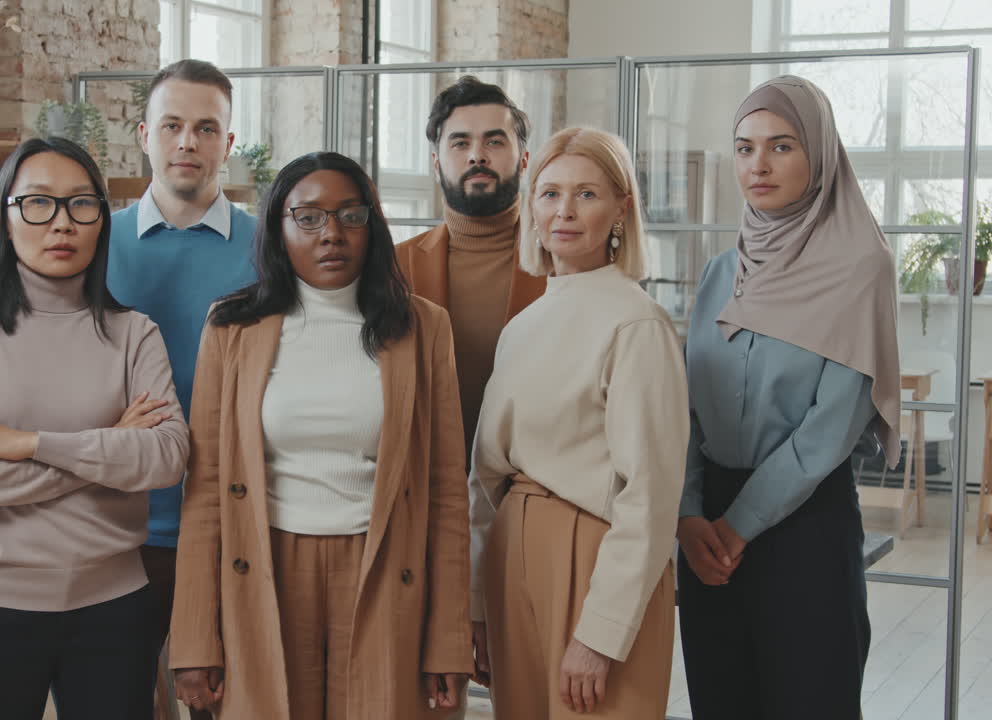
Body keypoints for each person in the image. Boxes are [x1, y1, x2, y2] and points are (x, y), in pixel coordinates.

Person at [169, 152, 472, 719]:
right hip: (264, 570)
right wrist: (194, 636)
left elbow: (447, 492)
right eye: (307, 217)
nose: (330, 233)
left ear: (372, 227)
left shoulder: (423, 327)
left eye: (349, 216)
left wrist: (449, 638)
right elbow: (206, 487)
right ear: (278, 231)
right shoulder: (231, 328)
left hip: (384, 568)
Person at [0, 137, 190, 720]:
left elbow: (167, 457)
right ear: (6, 216)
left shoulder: (133, 334)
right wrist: (109, 450)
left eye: (81, 205)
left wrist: (23, 443)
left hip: (113, 607)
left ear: (101, 220)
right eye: (38, 203)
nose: (61, 224)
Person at [676, 75, 901, 720]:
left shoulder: (861, 267)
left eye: (781, 146)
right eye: (745, 148)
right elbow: (689, 405)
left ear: (820, 155)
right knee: (721, 700)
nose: (759, 165)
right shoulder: (723, 271)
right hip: (705, 531)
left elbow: (829, 429)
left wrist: (735, 525)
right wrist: (690, 515)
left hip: (804, 525)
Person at [469, 127, 687, 719]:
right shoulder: (524, 325)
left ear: (621, 209)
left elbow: (651, 495)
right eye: (549, 193)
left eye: (586, 194)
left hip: (595, 560)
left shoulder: (637, 324)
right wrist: (478, 606)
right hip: (513, 560)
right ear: (531, 207)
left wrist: (602, 634)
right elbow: (486, 481)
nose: (564, 211)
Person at [107, 58, 257, 709]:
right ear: (144, 134)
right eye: (172, 125)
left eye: (205, 128)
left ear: (229, 143)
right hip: (118, 527)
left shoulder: (269, 250)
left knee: (223, 706)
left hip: (232, 527)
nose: (187, 142)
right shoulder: (90, 243)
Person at [395, 76, 546, 464]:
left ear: (524, 159)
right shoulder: (393, 267)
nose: (477, 155)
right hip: (424, 488)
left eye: (495, 141)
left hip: (535, 490)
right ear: (435, 162)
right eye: (460, 143)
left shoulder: (563, 265)